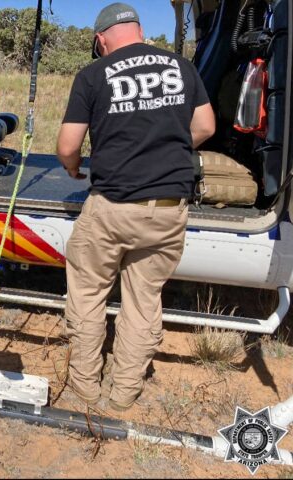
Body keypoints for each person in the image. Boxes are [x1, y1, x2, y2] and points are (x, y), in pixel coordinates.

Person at [57, 2, 215, 411]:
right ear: (139, 31)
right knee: (144, 301)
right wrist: (167, 152)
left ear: (101, 39)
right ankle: (125, 393)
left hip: (112, 206)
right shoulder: (181, 67)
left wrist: (74, 169)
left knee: (88, 293)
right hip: (167, 208)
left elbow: (68, 146)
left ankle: (85, 386)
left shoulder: (93, 74)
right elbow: (205, 126)